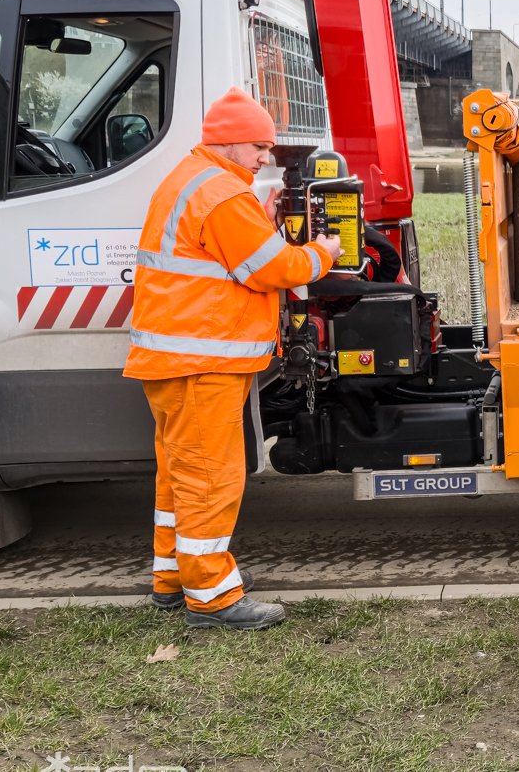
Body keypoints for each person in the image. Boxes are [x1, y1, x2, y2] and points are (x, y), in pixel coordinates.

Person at [124, 87, 344, 630]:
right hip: (202, 362)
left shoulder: (192, 180)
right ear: (230, 142)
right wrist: (325, 253)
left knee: (179, 474)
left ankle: (171, 579)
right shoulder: (222, 194)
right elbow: (273, 269)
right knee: (210, 479)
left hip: (175, 360)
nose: (266, 158)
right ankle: (214, 598)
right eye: (259, 147)